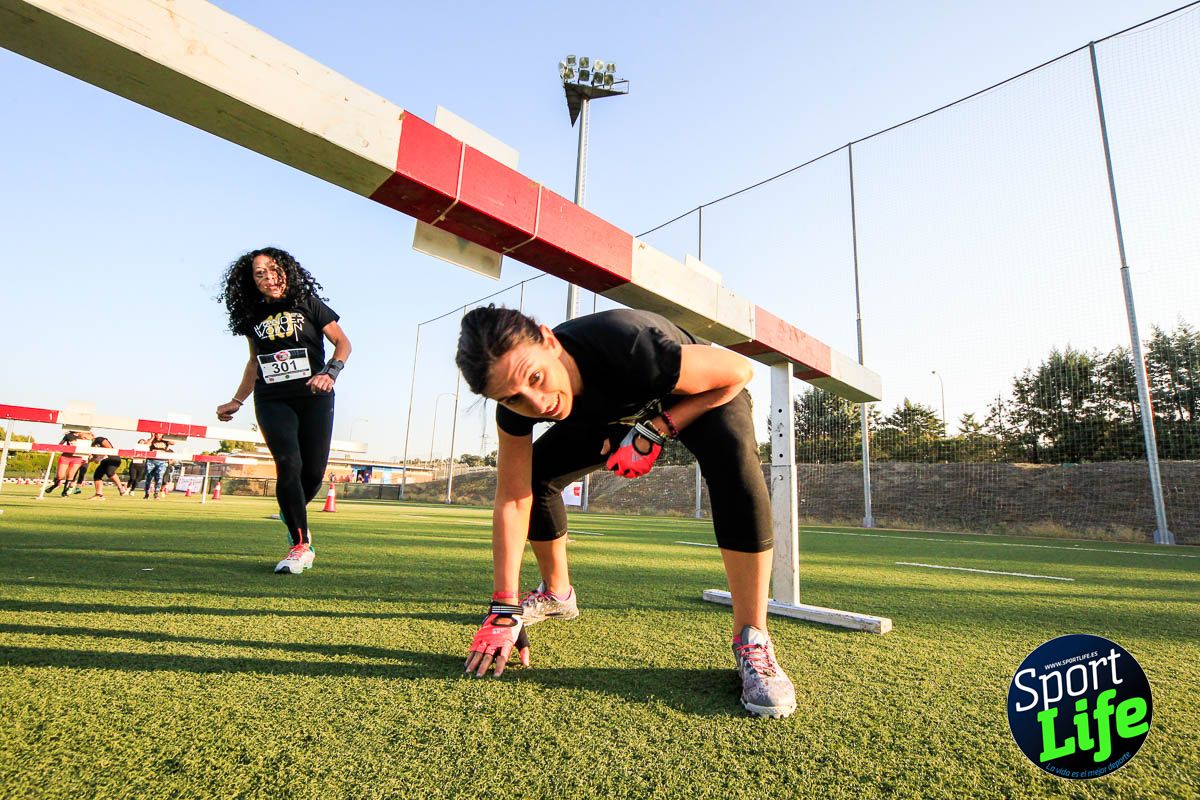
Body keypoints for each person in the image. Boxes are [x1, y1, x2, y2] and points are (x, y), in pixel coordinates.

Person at [455, 305, 797, 718]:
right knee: (537, 475)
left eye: (536, 378)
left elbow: (739, 371)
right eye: (513, 398)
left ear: (548, 340)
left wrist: (657, 428)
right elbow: (512, 499)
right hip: (616, 412)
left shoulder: (629, 342)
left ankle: (752, 636)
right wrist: (504, 606)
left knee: (734, 457)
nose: (537, 402)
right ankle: (557, 593)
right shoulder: (517, 404)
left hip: (699, 392)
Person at [214, 247, 351, 575]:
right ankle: (300, 545)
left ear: (286, 271)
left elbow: (343, 344)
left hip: (316, 396)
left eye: (273, 270)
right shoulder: (253, 315)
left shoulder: (309, 304)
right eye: (259, 274)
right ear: (251, 282)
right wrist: (238, 400)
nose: (268, 278)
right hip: (272, 398)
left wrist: (329, 373)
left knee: (313, 474)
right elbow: (254, 362)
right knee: (288, 463)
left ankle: (292, 511)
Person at [43, 431, 94, 496]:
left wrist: (89, 455)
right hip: (65, 457)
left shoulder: (86, 439)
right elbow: (60, 444)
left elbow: (88, 448)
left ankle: (65, 491)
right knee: (60, 475)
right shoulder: (69, 436)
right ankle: (55, 485)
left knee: (70, 475)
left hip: (77, 458)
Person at [87, 435, 128, 499]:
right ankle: (99, 494)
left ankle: (121, 488)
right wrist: (90, 460)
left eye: (85, 437)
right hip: (104, 461)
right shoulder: (89, 445)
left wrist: (99, 455)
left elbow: (110, 448)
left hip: (112, 458)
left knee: (109, 472)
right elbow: (96, 460)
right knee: (97, 475)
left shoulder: (99, 439)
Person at [138, 433, 172, 499]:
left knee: (159, 477)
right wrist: (152, 437)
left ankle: (156, 493)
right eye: (157, 434)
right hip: (151, 461)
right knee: (149, 477)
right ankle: (146, 493)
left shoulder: (165, 441)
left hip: (162, 461)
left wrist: (166, 437)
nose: (158, 435)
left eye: (160, 434)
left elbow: (173, 443)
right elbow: (146, 445)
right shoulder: (151, 440)